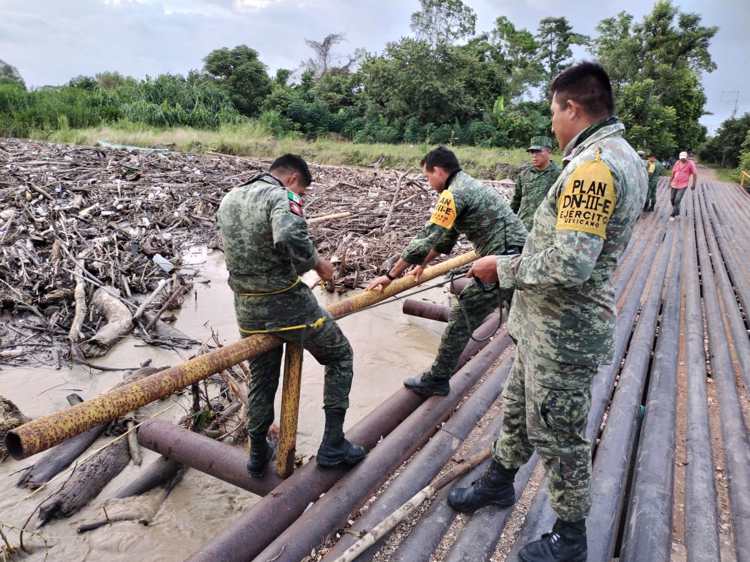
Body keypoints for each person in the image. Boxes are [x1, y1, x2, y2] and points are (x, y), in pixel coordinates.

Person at [447, 62, 647, 562]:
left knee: (559, 434)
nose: (551, 125)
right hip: (543, 329)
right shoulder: (617, 155)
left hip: (565, 333)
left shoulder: (594, 167)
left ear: (572, 108)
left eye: (553, 112)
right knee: (517, 408)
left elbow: (572, 262)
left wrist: (502, 269)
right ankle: (498, 481)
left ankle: (572, 535)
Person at [217, 154, 366, 478]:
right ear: (293, 179)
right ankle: (334, 444)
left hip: (246, 307)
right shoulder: (283, 196)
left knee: (262, 378)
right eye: (303, 192)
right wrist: (318, 264)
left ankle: (257, 454)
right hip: (287, 305)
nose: (301, 197)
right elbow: (288, 236)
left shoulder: (230, 198)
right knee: (340, 355)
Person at [366, 147, 527, 397]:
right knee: (522, 320)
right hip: (518, 254)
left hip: (503, 261)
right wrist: (423, 263)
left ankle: (438, 379)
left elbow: (429, 235)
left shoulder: (453, 194)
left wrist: (390, 276)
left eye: (428, 177)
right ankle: (533, 371)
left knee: (462, 316)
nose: (429, 184)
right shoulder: (467, 184)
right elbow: (446, 237)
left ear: (439, 171)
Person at [511, 136, 560, 231]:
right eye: (532, 152)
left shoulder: (559, 175)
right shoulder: (524, 175)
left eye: (538, 151)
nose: (534, 155)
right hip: (523, 228)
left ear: (549, 151)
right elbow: (516, 201)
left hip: (546, 230)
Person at [668, 151, 697, 218]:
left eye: (684, 158)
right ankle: (677, 210)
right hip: (674, 183)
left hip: (683, 185)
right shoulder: (677, 163)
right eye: (681, 158)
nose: (682, 159)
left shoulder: (690, 164)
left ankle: (673, 214)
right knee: (672, 199)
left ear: (686, 157)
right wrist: (669, 182)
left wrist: (693, 184)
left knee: (677, 199)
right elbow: (673, 173)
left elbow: (695, 174)